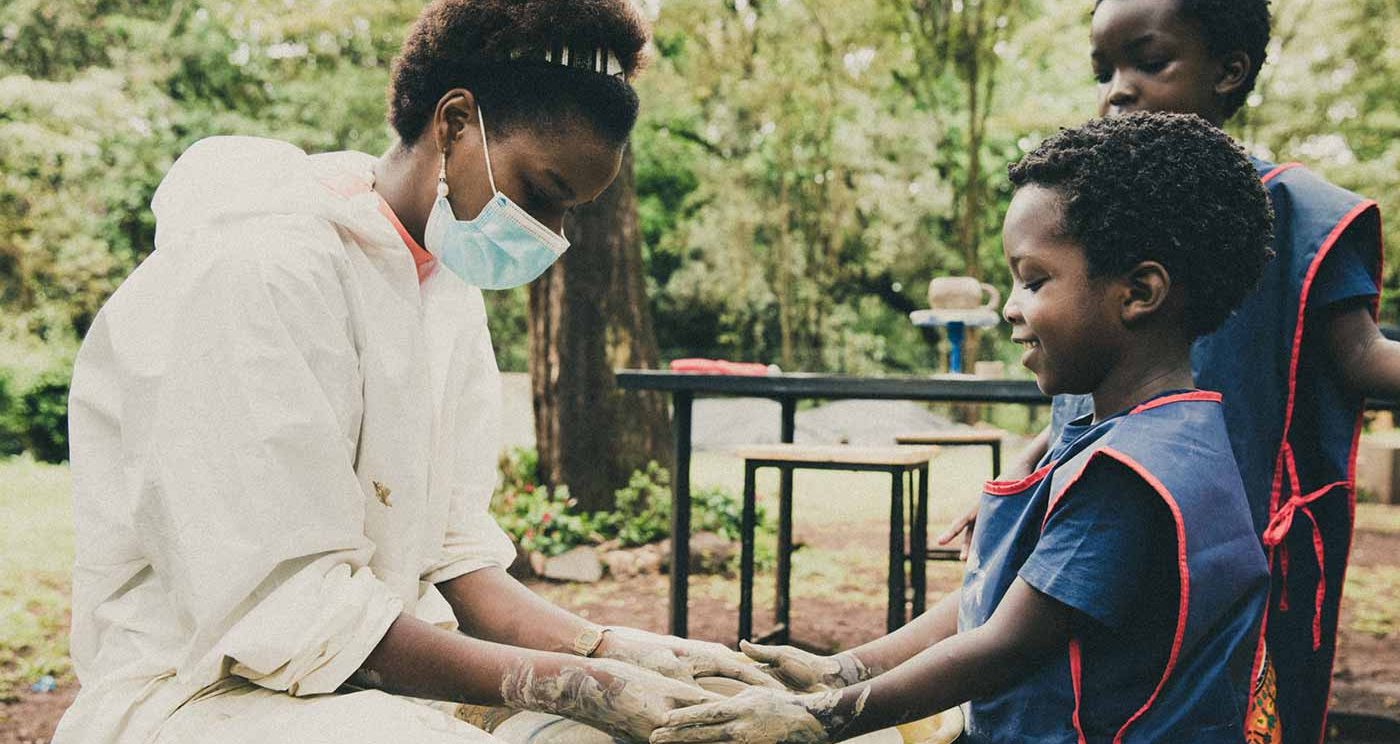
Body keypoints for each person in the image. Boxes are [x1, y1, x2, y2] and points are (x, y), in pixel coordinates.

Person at [54, 2, 778, 743]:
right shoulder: (256, 269)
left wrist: (610, 649)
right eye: (544, 194)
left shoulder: (440, 290)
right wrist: (576, 684)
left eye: (571, 214)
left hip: (364, 684)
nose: (552, 237)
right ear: (455, 123)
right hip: (195, 693)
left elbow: (453, 560)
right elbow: (286, 614)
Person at [651, 112, 1274, 743]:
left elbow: (1003, 646)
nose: (1009, 307)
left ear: (1139, 293)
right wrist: (841, 668)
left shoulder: (1126, 479)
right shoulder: (1178, 431)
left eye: (1033, 280)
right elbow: (1000, 605)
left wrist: (822, 719)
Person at [938, 3, 1392, 740]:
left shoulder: (1296, 210)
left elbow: (1362, 358)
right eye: (1104, 70)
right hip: (1115, 509)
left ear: (1228, 70)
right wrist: (1029, 474)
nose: (1118, 89)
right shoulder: (1095, 209)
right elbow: (1087, 400)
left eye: (1148, 61)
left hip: (1233, 522)